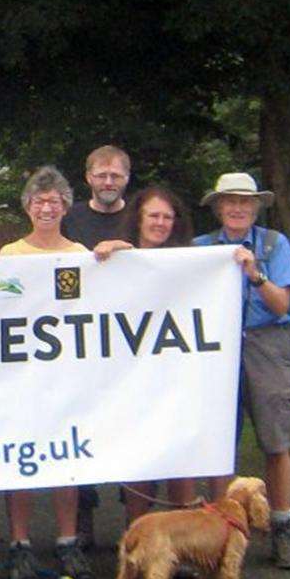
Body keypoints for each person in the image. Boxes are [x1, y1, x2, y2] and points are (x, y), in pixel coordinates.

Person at [192, 172, 290, 569]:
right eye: (230, 202)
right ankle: (218, 534)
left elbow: (281, 306)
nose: (237, 208)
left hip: (266, 343)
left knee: (276, 442)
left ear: (256, 207)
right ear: (218, 207)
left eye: (245, 202)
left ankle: (282, 527)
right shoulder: (200, 248)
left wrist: (255, 273)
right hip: (216, 347)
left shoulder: (274, 245)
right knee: (218, 443)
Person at [0, 167, 96, 579]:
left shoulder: (81, 255)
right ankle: (19, 544)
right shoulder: (8, 256)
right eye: (39, 201)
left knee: (65, 460)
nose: (47, 207)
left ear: (65, 207)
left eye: (54, 201)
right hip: (21, 377)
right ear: (27, 207)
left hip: (66, 378)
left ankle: (67, 541)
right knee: (23, 461)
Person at [92, 186, 200, 532]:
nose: (161, 222)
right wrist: (111, 252)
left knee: (179, 453)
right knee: (139, 452)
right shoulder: (119, 256)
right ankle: (139, 534)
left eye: (168, 217)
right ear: (138, 218)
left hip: (176, 371)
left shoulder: (190, 260)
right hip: (131, 374)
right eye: (154, 215)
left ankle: (183, 537)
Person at [61, 145, 133, 549]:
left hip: (128, 344)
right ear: (88, 176)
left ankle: (136, 520)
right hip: (81, 343)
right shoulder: (71, 220)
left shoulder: (138, 216)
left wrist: (127, 250)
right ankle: (82, 521)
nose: (108, 182)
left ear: (127, 177)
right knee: (82, 426)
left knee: (131, 426)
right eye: (101, 175)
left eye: (116, 175)